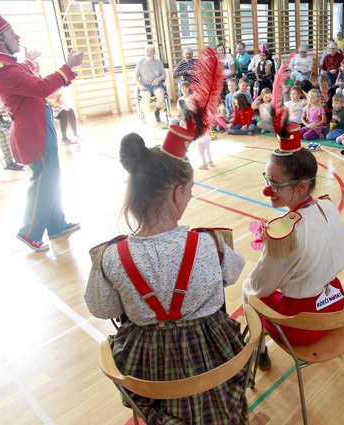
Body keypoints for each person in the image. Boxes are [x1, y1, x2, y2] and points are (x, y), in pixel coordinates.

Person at [85, 128, 247, 423]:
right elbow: (235, 272)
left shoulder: (111, 256)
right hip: (213, 361)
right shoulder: (209, 244)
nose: (191, 195)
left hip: (149, 369)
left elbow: (102, 308)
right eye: (189, 189)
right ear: (176, 192)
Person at [242, 128, 344, 367]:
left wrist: (269, 252)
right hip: (334, 304)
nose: (268, 189)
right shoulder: (328, 207)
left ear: (301, 186)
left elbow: (259, 287)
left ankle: (258, 351)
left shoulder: (285, 233)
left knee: (246, 288)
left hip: (301, 324)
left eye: (276, 184)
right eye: (267, 179)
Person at [0, 14, 83, 251]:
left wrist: (28, 62)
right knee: (42, 181)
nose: (17, 37)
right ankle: (29, 231)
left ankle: (56, 225)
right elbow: (39, 87)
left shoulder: (3, 64)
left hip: (36, 125)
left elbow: (21, 78)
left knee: (50, 179)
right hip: (32, 131)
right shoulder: (2, 69)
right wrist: (68, 67)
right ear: (1, 38)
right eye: (12, 34)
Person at [135, 44, 166, 122]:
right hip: (145, 85)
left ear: (154, 52)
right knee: (145, 95)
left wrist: (158, 79)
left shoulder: (158, 62)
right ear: (144, 52)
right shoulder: (140, 63)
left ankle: (157, 112)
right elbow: (135, 77)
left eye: (151, 51)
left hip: (156, 85)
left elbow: (164, 75)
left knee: (161, 93)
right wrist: (140, 85)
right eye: (147, 51)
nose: (149, 53)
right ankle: (146, 116)